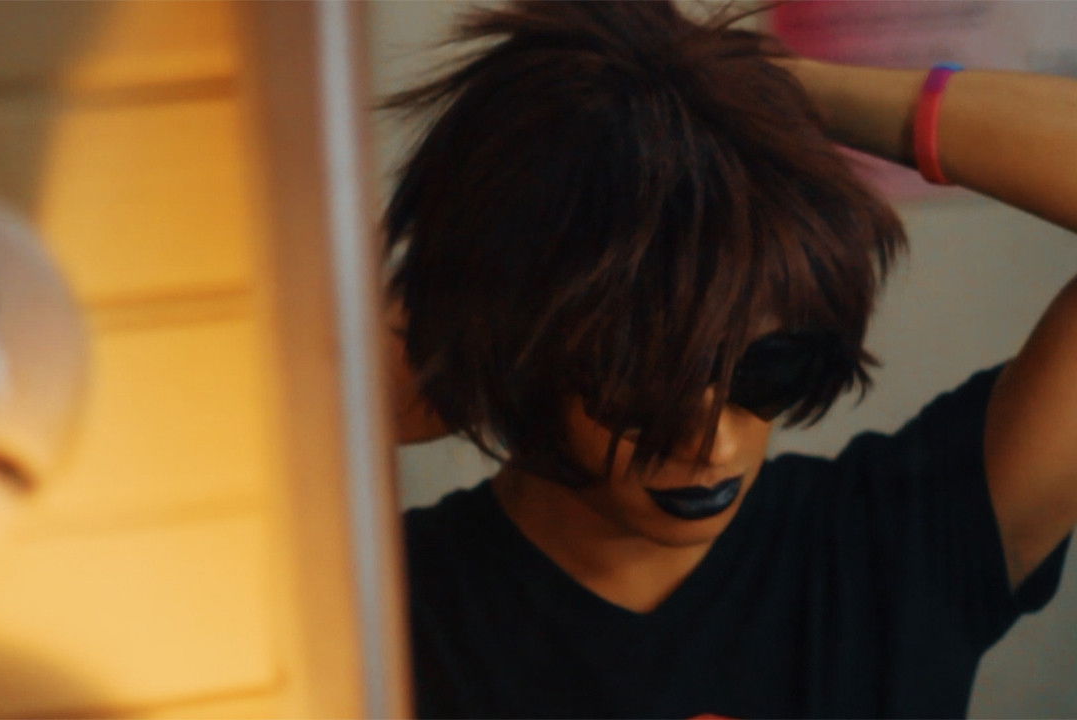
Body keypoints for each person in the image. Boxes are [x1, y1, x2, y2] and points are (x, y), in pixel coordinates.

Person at [384, 2, 1077, 718]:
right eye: (649, 386)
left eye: (768, 369)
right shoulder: (379, 614)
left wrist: (750, 90)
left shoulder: (893, 554)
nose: (711, 442)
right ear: (515, 344)